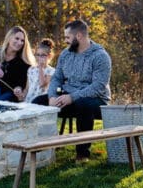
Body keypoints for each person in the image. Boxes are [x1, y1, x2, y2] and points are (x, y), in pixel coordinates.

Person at [48, 19, 112, 160]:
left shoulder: (100, 56)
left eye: (67, 37)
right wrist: (52, 97)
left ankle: (82, 154)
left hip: (96, 101)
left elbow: (97, 87)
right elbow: (56, 78)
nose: (65, 41)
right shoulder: (66, 54)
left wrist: (72, 97)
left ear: (78, 36)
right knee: (38, 102)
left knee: (83, 104)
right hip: (68, 97)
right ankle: (42, 150)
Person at [0, 26, 36, 102]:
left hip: (8, 97)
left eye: (22, 40)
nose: (20, 43)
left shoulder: (24, 63)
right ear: (9, 38)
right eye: (17, 38)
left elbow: (23, 84)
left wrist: (19, 88)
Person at [24, 38, 56, 105]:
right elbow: (27, 88)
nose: (39, 57)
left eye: (43, 55)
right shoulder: (31, 69)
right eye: (38, 55)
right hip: (28, 100)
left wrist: (40, 68)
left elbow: (42, 84)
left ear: (49, 56)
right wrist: (22, 95)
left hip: (40, 102)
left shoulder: (51, 71)